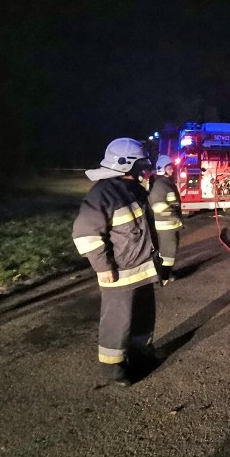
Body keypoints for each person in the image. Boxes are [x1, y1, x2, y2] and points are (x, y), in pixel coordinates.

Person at [72, 137, 160, 387]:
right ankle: (113, 368)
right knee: (117, 321)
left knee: (144, 316)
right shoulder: (102, 194)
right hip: (119, 273)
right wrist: (103, 267)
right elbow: (84, 232)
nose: (144, 168)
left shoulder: (134, 189)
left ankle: (140, 353)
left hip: (142, 269)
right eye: (140, 164)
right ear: (125, 164)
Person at [149, 155, 184, 285]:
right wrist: (173, 215)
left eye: (172, 168)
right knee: (169, 252)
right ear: (162, 169)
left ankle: (165, 273)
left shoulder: (166, 183)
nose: (172, 170)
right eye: (169, 168)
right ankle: (164, 277)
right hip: (166, 225)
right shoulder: (160, 185)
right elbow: (157, 205)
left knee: (168, 251)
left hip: (170, 224)